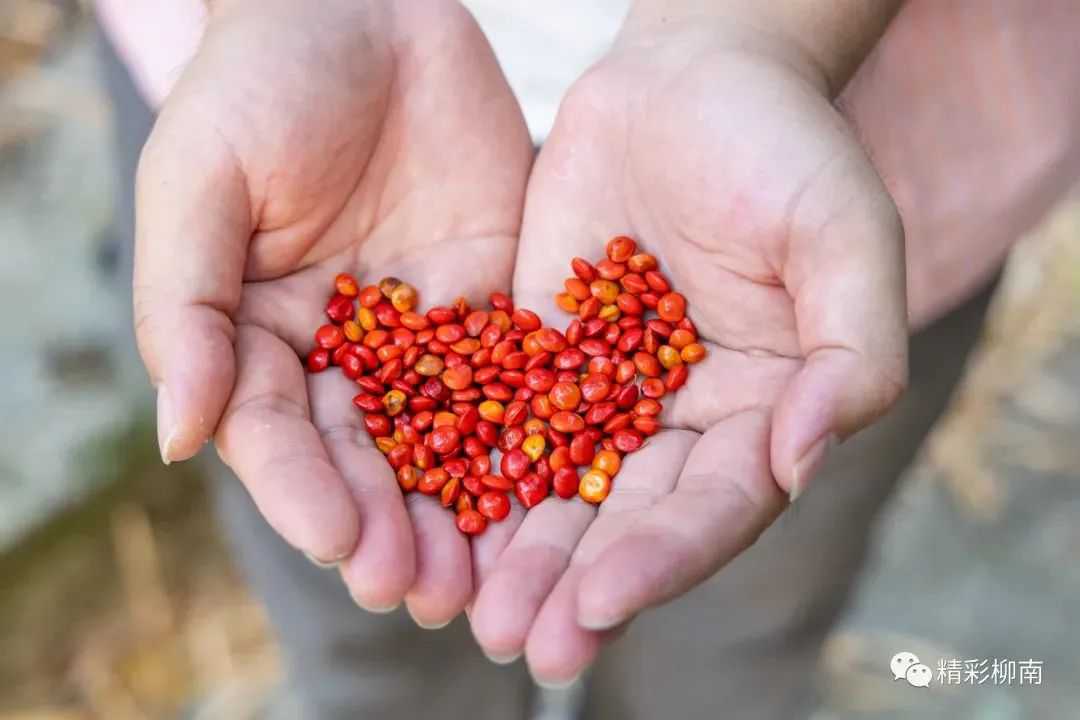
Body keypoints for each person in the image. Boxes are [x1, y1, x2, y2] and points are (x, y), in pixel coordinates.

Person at [95, 0, 1080, 717]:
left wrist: (758, 31)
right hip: (298, 114)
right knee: (364, 622)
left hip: (820, 178)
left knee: (731, 637)